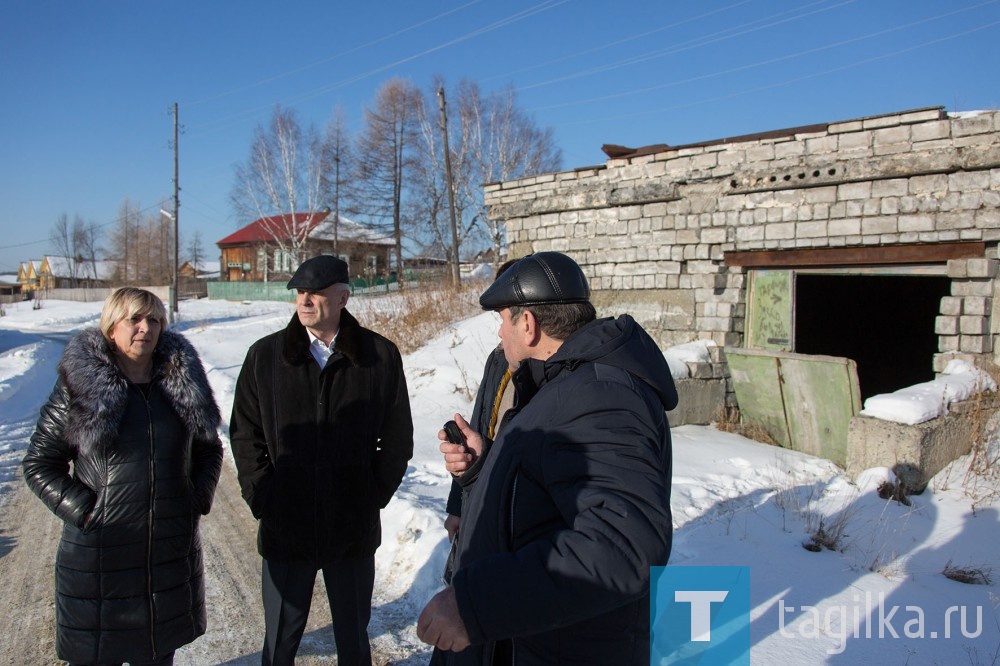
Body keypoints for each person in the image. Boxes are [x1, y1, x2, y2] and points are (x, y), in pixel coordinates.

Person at [418, 252, 678, 664]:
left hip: (556, 648)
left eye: (503, 319)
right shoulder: (563, 384)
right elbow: (549, 499)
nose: (500, 333)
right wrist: (485, 470)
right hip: (523, 638)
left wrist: (477, 605)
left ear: (528, 324)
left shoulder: (602, 396)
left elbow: (621, 545)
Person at [22, 287, 223, 666]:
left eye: (154, 320)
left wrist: (196, 499)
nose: (144, 328)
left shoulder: (181, 384)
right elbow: (39, 463)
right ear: (112, 327)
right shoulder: (80, 388)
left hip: (166, 557)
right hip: (101, 562)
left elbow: (209, 446)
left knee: (158, 652)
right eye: (134, 319)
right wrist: (87, 512)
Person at [230, 254, 414, 666]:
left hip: (351, 528)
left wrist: (370, 495)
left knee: (353, 639)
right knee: (279, 642)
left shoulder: (378, 356)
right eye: (300, 292)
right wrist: (265, 497)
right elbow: (245, 434)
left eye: (316, 292)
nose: (305, 301)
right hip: (286, 524)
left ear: (344, 296)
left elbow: (398, 438)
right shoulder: (265, 357)